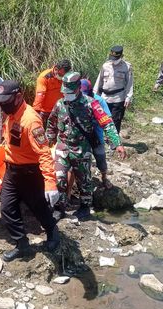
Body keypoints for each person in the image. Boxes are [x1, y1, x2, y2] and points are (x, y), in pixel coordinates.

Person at [0, 80, 60, 262]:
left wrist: (50, 183)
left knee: (38, 207)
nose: (3, 105)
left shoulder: (31, 120)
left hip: (30, 173)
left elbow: (44, 152)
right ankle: (22, 244)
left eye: (6, 101)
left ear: (19, 97)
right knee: (7, 207)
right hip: (12, 172)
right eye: (0, 102)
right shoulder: (11, 114)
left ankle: (53, 233)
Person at [47, 72, 126, 220]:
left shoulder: (92, 104)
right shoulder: (60, 104)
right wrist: (49, 140)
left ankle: (84, 207)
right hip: (62, 146)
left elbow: (107, 123)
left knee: (84, 180)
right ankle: (59, 207)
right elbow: (51, 123)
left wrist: (117, 143)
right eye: (65, 92)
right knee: (59, 178)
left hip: (82, 148)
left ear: (78, 88)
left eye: (70, 92)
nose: (67, 95)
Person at [80, 79, 114, 189]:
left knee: (101, 159)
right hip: (83, 137)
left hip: (97, 136)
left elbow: (108, 119)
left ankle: (104, 177)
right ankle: (85, 182)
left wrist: (113, 138)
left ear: (91, 91)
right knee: (84, 162)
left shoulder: (99, 101)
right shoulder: (77, 99)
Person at [93, 45, 134, 134]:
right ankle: (105, 139)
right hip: (104, 98)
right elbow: (99, 81)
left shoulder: (126, 67)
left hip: (118, 98)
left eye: (116, 58)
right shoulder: (105, 65)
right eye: (112, 58)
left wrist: (128, 97)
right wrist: (94, 95)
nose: (113, 60)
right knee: (104, 119)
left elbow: (130, 83)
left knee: (116, 121)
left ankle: (114, 142)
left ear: (121, 56)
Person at [33, 59, 72, 127]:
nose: (61, 77)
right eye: (60, 74)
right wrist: (36, 112)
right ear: (56, 69)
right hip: (44, 111)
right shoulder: (44, 77)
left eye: (64, 76)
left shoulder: (67, 78)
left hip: (59, 109)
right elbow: (40, 96)